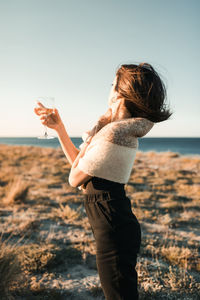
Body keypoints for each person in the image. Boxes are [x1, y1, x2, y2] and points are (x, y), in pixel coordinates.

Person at [34, 63, 172, 300]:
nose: (109, 89)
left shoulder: (114, 133)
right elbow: (82, 169)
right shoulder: (119, 130)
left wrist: (88, 140)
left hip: (113, 226)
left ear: (120, 92)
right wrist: (60, 129)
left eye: (112, 84)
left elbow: (74, 177)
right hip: (115, 223)